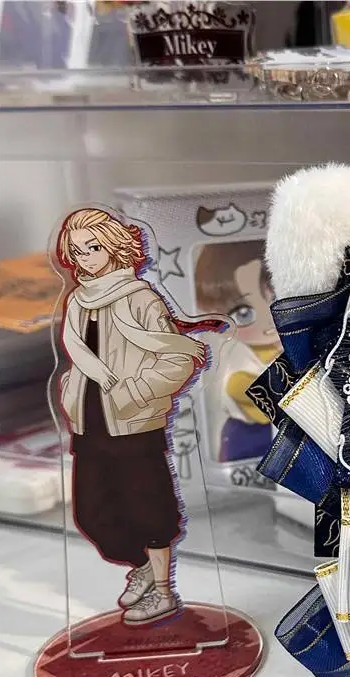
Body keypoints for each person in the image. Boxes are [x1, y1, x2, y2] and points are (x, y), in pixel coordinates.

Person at [56, 208, 210, 625]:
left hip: (133, 423)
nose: (85, 258)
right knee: (92, 513)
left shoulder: (140, 298)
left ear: (114, 247)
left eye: (94, 247)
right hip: (89, 422)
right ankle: (141, 567)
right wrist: (71, 393)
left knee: (150, 508)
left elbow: (177, 360)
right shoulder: (78, 300)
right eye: (77, 251)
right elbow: (79, 358)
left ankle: (163, 591)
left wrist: (133, 393)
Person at [194, 241, 280, 463]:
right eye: (244, 313)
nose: (268, 322)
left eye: (277, 300)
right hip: (251, 438)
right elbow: (242, 390)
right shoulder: (240, 365)